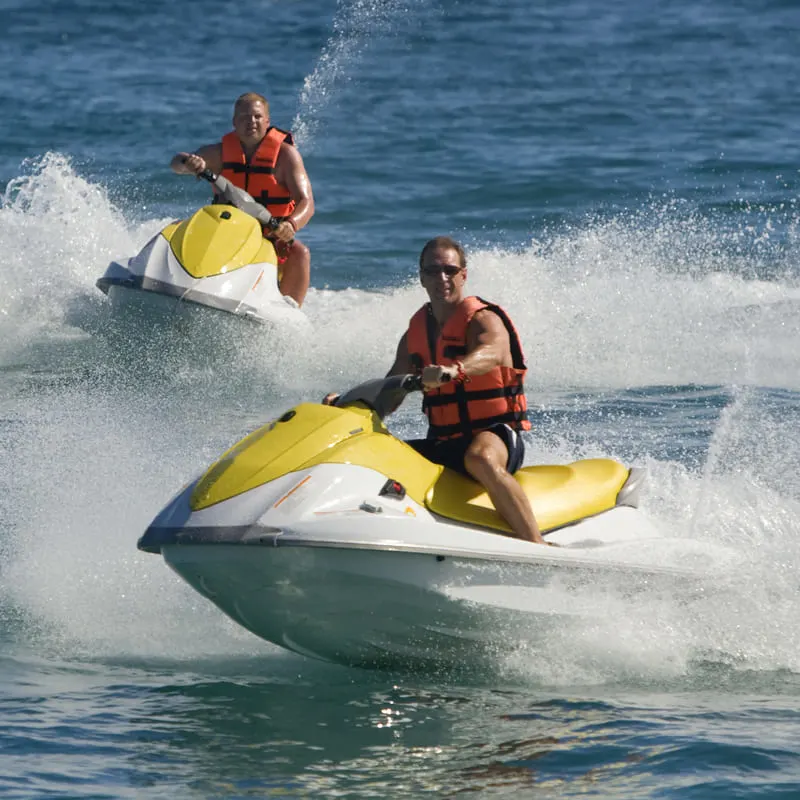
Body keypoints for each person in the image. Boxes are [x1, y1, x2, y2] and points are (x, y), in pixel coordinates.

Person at [170, 92, 314, 307]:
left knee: (299, 252)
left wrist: (290, 225)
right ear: (234, 122)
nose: (251, 122)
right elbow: (176, 164)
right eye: (245, 117)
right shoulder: (218, 154)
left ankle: (288, 313)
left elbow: (307, 202)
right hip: (224, 231)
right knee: (175, 229)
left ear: (267, 121)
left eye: (257, 117)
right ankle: (163, 283)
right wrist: (189, 163)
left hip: (270, 235)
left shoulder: (286, 156)